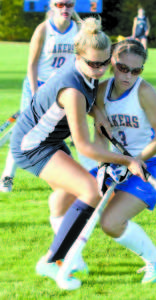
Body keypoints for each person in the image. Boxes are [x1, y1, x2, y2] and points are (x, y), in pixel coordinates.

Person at [10, 17, 146, 290]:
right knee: (90, 192)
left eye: (104, 63)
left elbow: (91, 97)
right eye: (92, 64)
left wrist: (98, 113)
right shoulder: (72, 90)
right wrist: (128, 160)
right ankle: (52, 260)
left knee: (65, 199)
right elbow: (84, 146)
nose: (98, 70)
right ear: (78, 56)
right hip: (32, 146)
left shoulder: (87, 75)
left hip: (50, 140)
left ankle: (70, 254)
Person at [90, 39, 156, 284]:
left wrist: (136, 159)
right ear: (112, 62)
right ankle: (66, 260)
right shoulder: (101, 91)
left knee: (111, 223)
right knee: (65, 199)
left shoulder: (144, 92)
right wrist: (105, 163)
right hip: (114, 164)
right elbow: (100, 139)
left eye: (136, 71)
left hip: (146, 166)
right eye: (123, 68)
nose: (128, 76)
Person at [0, 0, 80, 193]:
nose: (65, 9)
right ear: (52, 5)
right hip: (38, 85)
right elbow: (32, 66)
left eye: (69, 5)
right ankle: (7, 177)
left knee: (55, 132)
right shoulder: (43, 29)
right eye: (60, 5)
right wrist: (35, 95)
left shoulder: (78, 28)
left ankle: (66, 175)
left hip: (60, 90)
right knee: (23, 131)